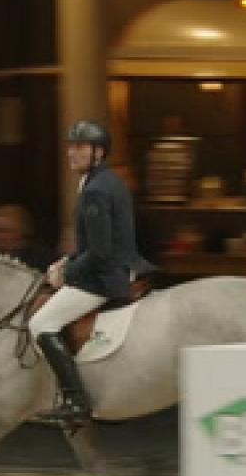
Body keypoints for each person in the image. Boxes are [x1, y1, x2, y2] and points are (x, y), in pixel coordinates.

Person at [29, 120, 154, 425]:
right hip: (116, 265)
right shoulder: (103, 181)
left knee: (40, 323)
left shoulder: (96, 190)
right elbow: (95, 243)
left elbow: (100, 252)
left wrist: (68, 272)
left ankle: (76, 400)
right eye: (70, 147)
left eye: (79, 147)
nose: (71, 153)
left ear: (98, 152)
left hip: (106, 276)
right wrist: (66, 261)